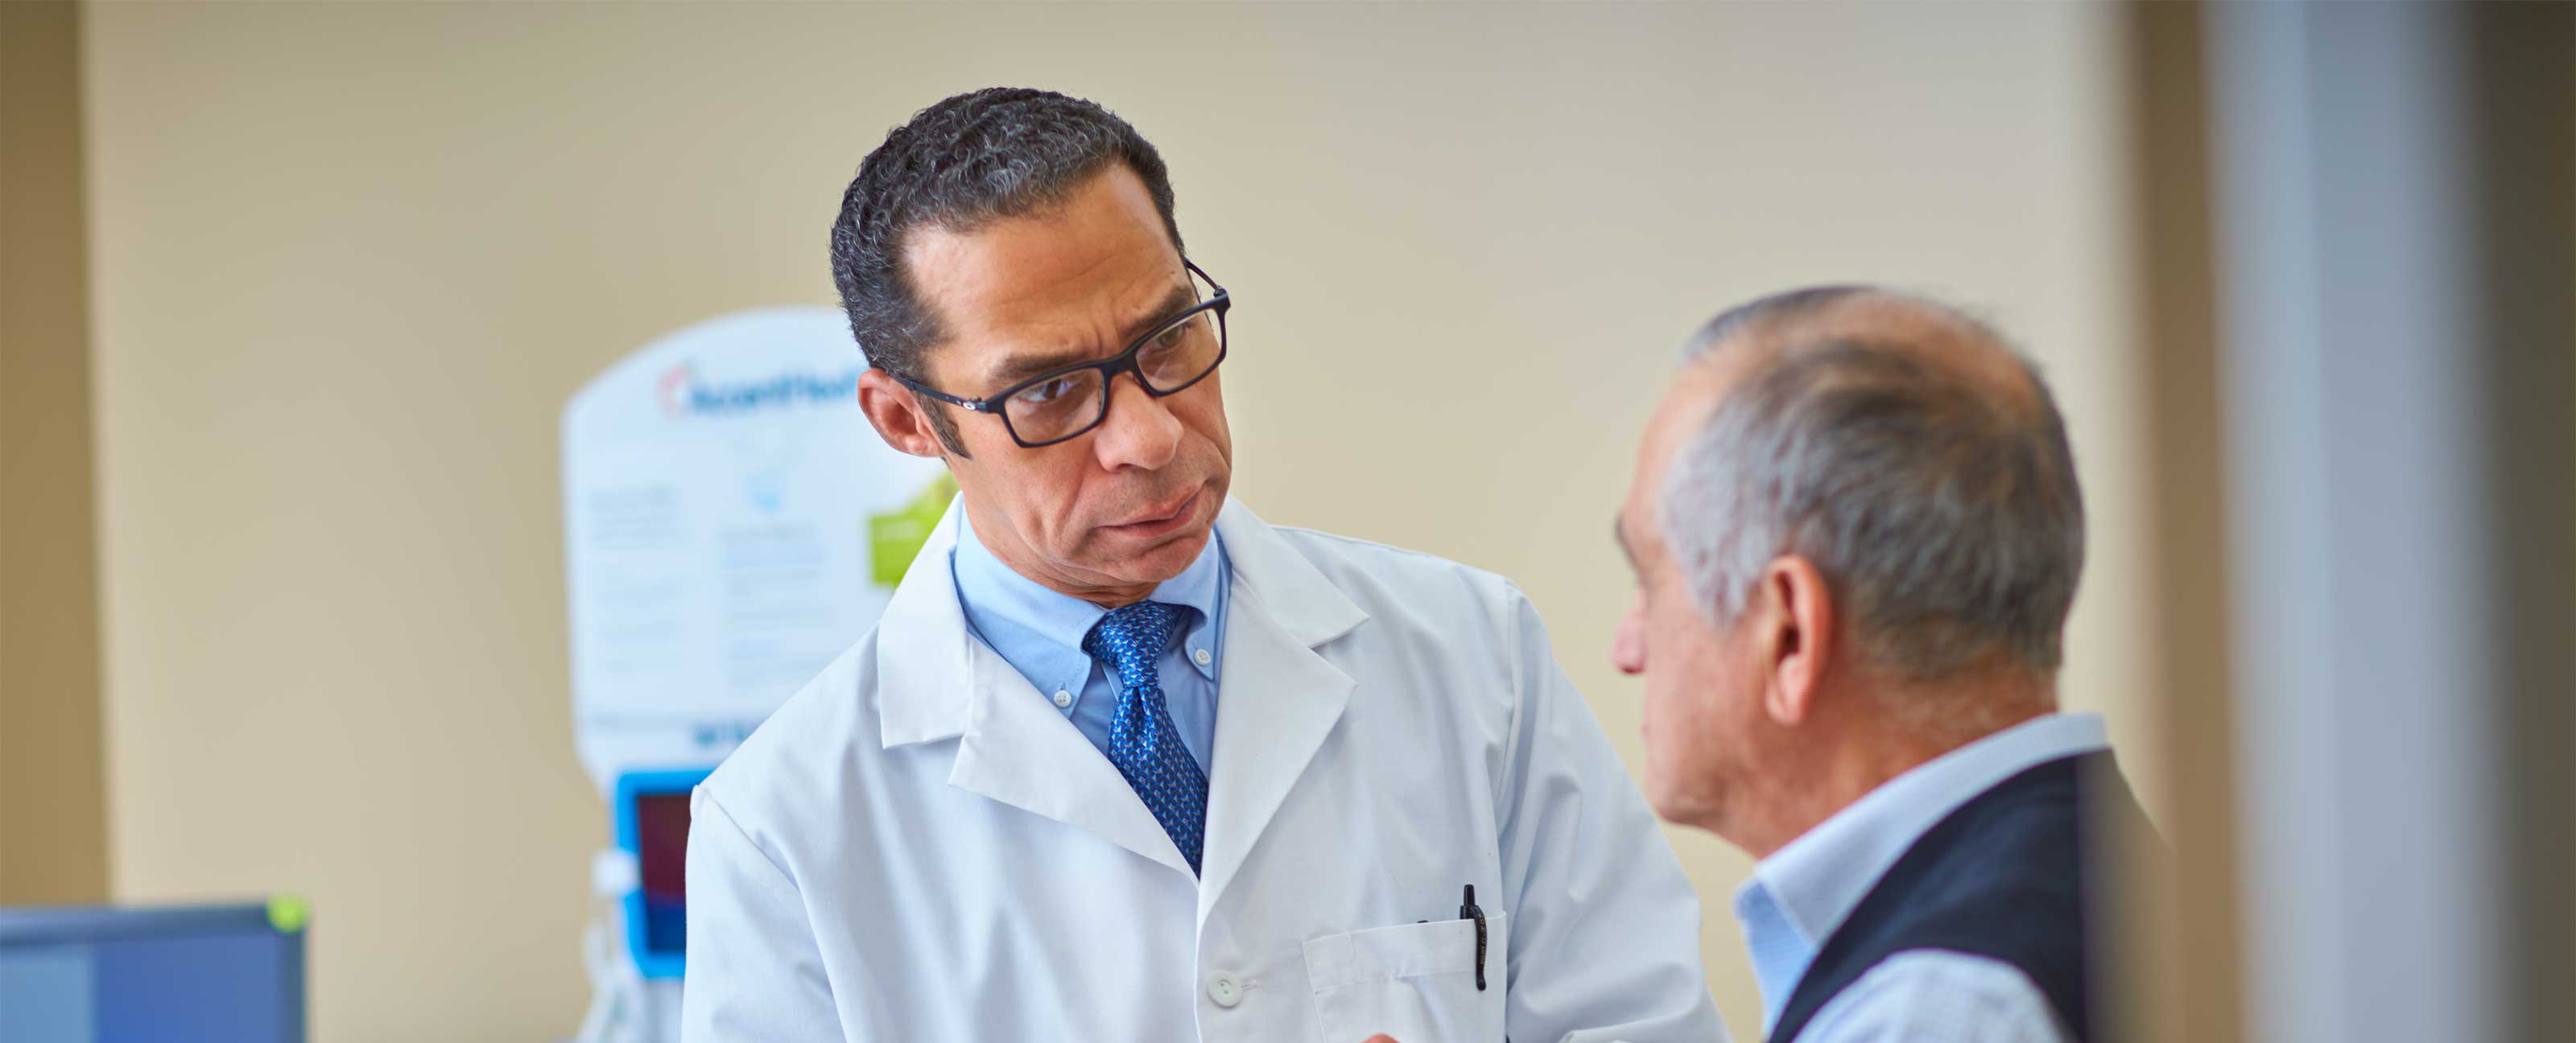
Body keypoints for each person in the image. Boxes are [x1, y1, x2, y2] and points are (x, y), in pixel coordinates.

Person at [679, 87, 1725, 1043]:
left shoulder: (1470, 656)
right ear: (907, 420)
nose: (1149, 438)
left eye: (1169, 338)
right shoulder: (784, 828)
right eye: (1047, 392)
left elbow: (1639, 1022)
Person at [1607, 287, 2155, 1041]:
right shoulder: (2121, 882)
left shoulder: (1938, 1013)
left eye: (1649, 581)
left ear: (1789, 633)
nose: (1627, 648)